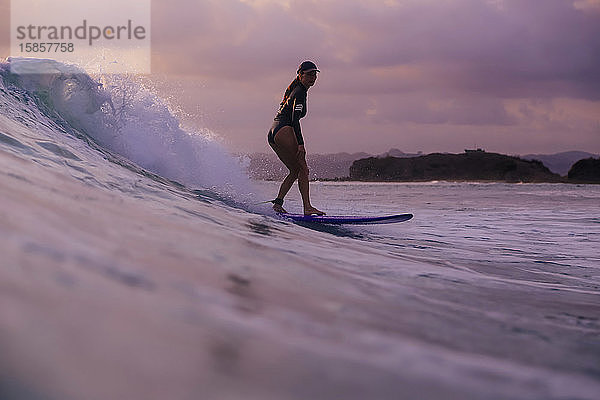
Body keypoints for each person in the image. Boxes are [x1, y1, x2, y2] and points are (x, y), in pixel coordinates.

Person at [267, 60, 325, 215]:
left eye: (314, 74)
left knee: (294, 170)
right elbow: (294, 120)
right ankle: (307, 207)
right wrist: (301, 144)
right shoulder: (299, 92)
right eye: (309, 74)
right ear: (300, 75)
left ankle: (278, 204)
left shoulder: (297, 90)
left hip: (274, 132)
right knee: (303, 169)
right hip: (284, 129)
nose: (312, 77)